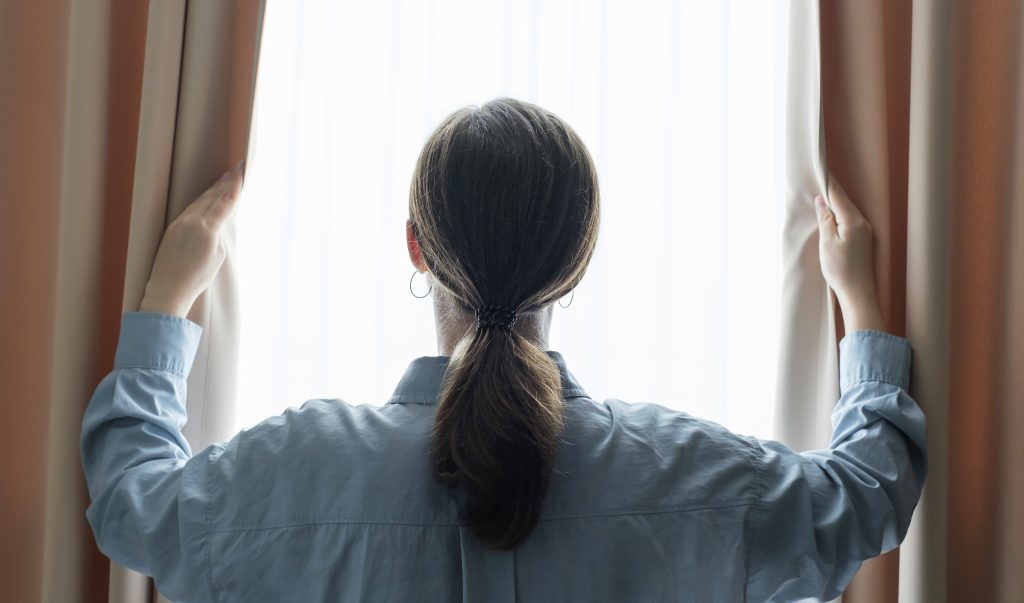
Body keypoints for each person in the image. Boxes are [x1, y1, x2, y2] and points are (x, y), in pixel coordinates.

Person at [80, 97, 927, 602]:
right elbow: (870, 492)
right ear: (578, 262)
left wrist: (165, 300)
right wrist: (858, 298)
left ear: (415, 246)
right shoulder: (696, 478)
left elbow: (132, 503)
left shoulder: (284, 472)